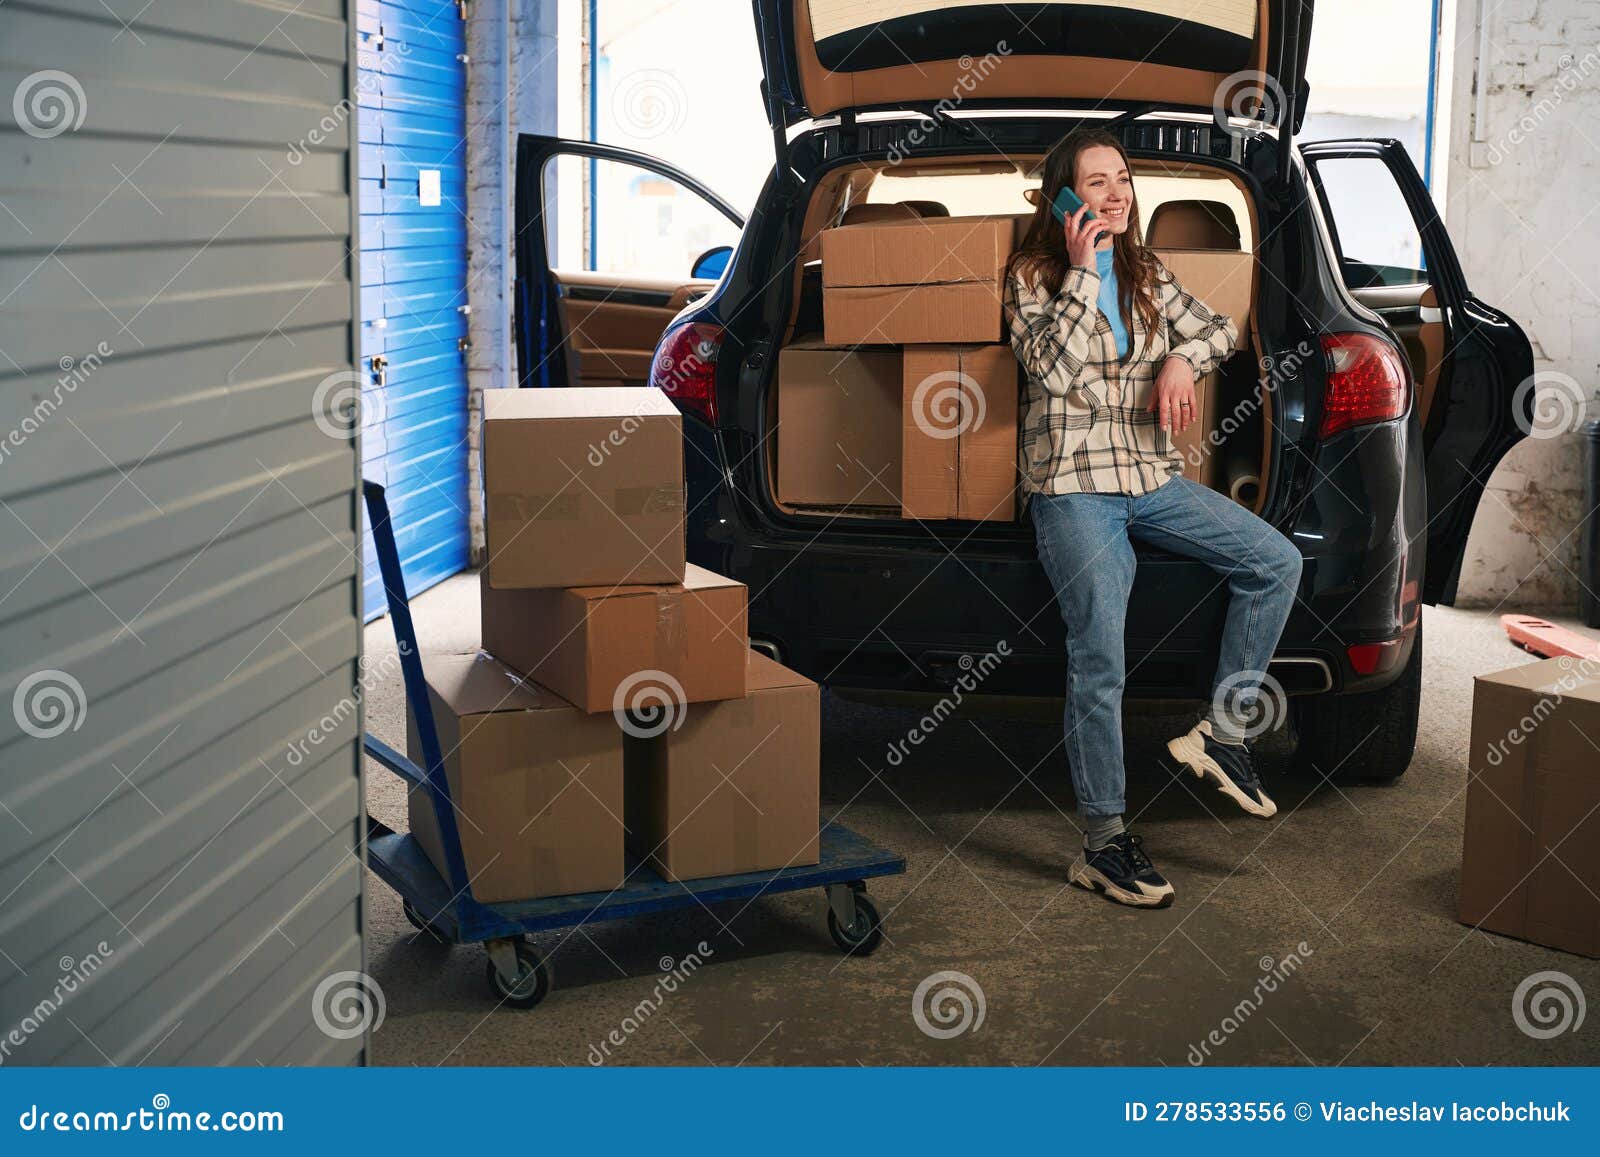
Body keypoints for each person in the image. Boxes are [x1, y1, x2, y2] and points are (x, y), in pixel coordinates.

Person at [1004, 129, 1303, 909]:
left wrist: (1179, 358)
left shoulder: (1145, 269)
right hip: (1072, 485)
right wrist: (1080, 271)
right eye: (1095, 181)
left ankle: (1225, 734)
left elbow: (1218, 328)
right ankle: (1104, 843)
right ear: (1062, 196)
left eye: (1123, 179)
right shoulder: (1033, 273)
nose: (1115, 194)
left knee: (1276, 562)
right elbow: (1051, 371)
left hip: (1148, 476)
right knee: (1100, 650)